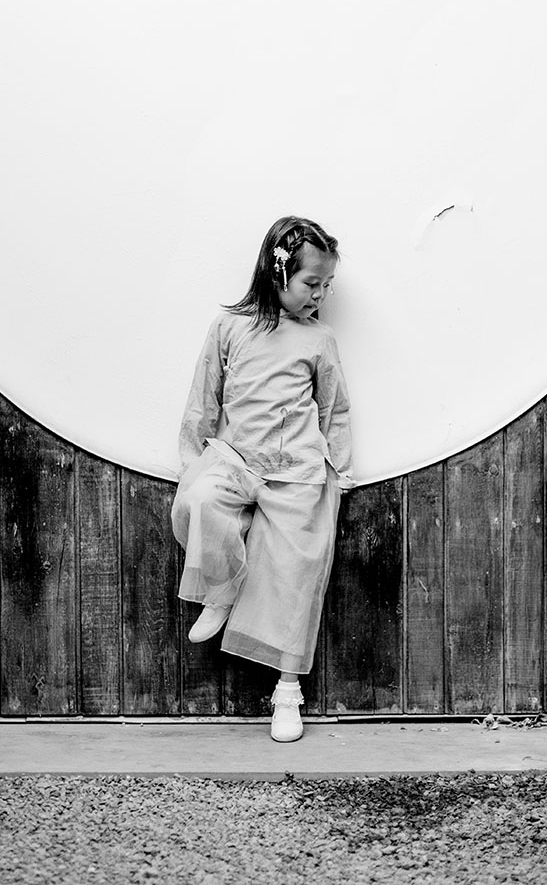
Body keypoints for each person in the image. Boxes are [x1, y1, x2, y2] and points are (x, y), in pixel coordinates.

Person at [171, 215, 353, 743]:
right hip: (237, 461)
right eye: (312, 283)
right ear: (278, 273)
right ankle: (221, 590)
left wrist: (339, 470)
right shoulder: (230, 328)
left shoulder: (319, 338)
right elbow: (203, 398)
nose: (320, 295)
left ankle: (288, 690)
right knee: (201, 500)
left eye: (327, 285)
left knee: (299, 567)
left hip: (297, 471)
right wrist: (192, 463)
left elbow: (334, 409)